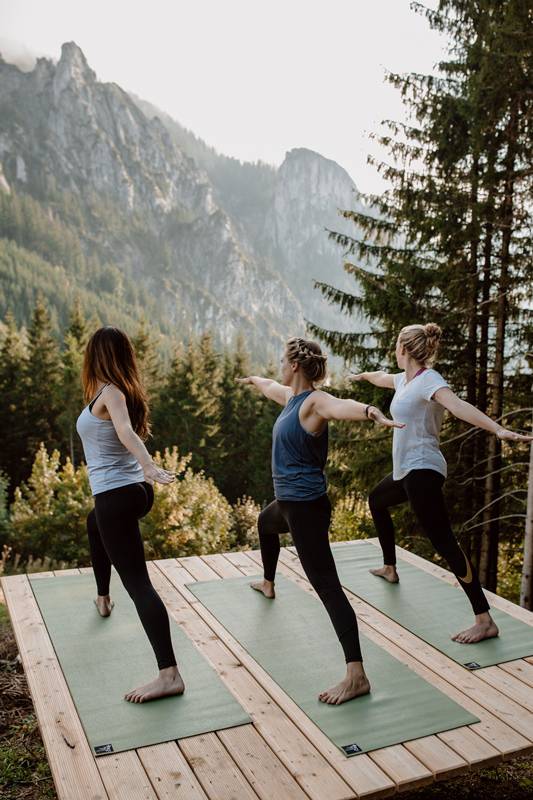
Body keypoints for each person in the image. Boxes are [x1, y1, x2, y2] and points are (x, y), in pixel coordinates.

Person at [237, 336, 404, 705]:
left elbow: (341, 405)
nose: (279, 367)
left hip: (308, 510)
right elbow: (270, 387)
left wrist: (371, 412)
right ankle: (267, 582)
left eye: (283, 360)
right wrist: (253, 380)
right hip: (287, 505)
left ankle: (356, 675)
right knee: (265, 524)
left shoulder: (313, 402)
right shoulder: (291, 399)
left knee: (327, 587)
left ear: (295, 365)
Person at [352, 322, 533, 644]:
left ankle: (484, 620)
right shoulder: (403, 380)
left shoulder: (429, 380)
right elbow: (381, 377)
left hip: (424, 470)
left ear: (403, 349)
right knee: (377, 500)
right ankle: (390, 568)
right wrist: (362, 376)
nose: (393, 351)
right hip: (405, 471)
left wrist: (497, 429)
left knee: (444, 542)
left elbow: (458, 406)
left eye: (396, 345)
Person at [76, 326, 184, 703]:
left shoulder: (111, 393)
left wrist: (150, 466)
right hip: (131, 492)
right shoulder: (118, 391)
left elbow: (126, 433)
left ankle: (169, 674)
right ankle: (103, 597)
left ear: (96, 355)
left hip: (119, 493)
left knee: (139, 584)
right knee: (95, 524)